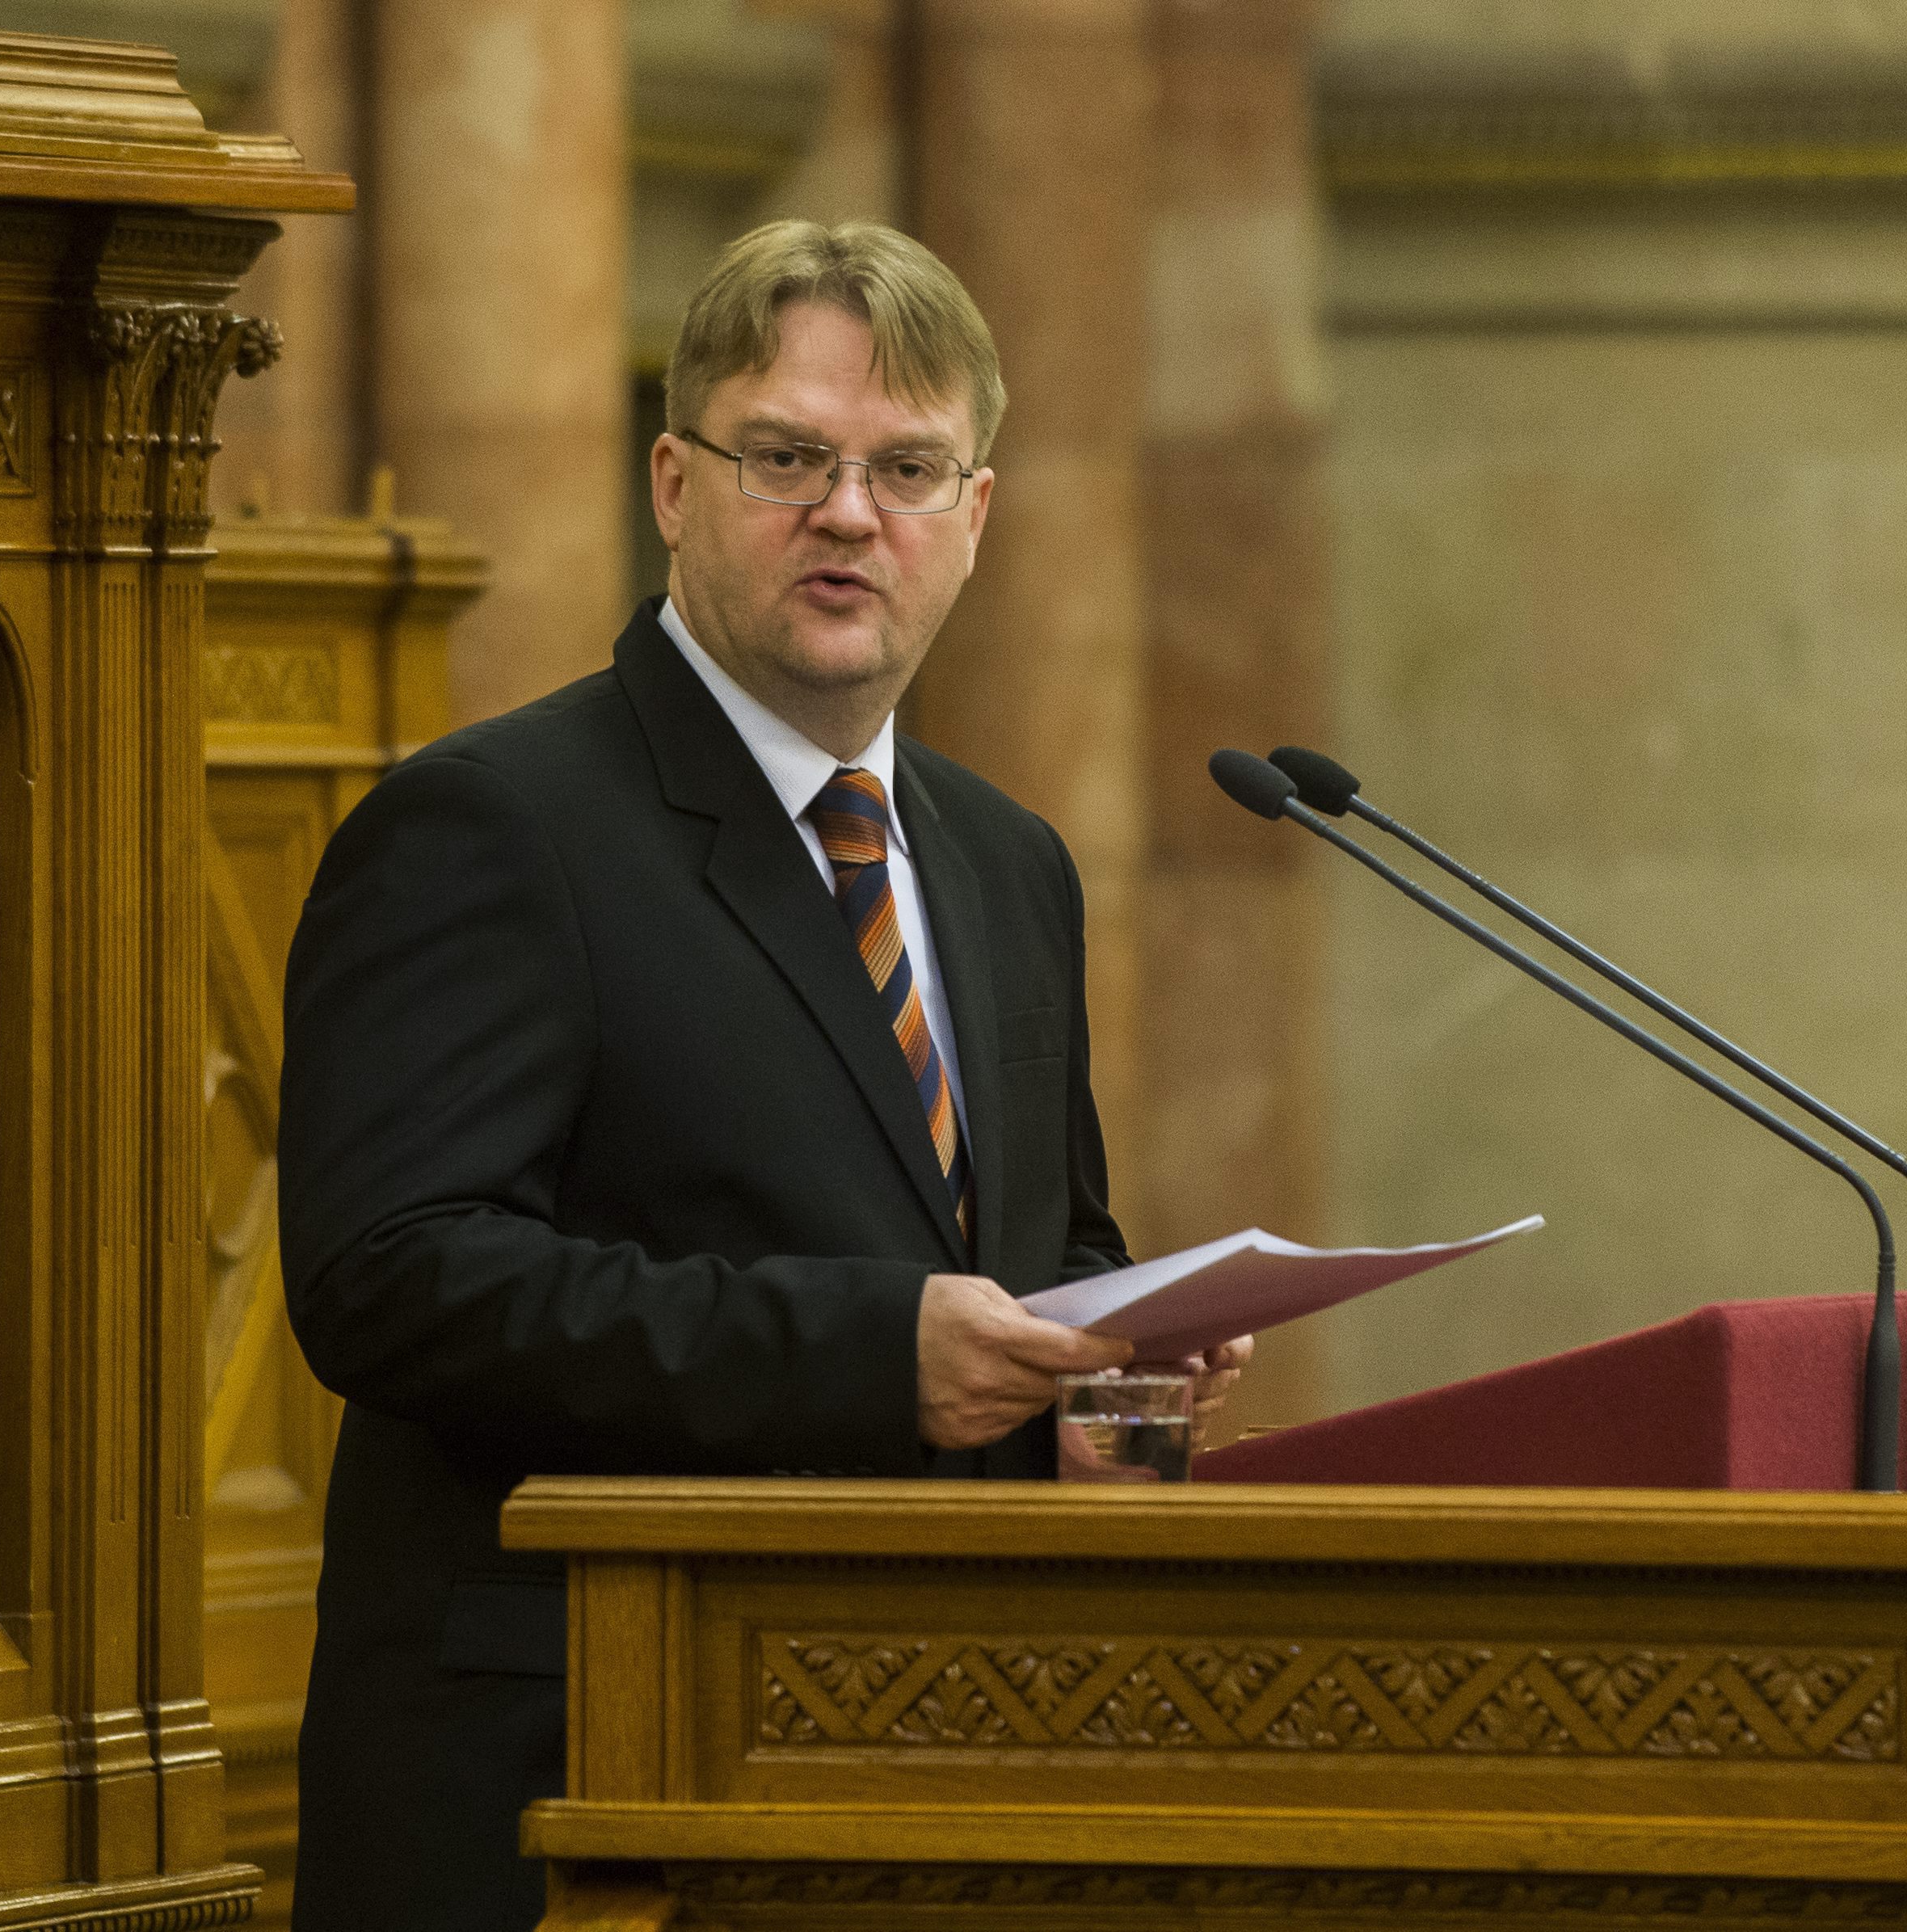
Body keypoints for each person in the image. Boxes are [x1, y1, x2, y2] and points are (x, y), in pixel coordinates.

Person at [276, 221, 1250, 1932]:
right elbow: (389, 1280)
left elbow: (1040, 1248)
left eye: (906, 467)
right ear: (671, 481)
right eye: (787, 456)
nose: (849, 512)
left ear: (978, 515)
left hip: (926, 1769)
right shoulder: (496, 824)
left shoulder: (1007, 860)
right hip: (574, 1787)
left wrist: (1117, 1370)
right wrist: (878, 1355)